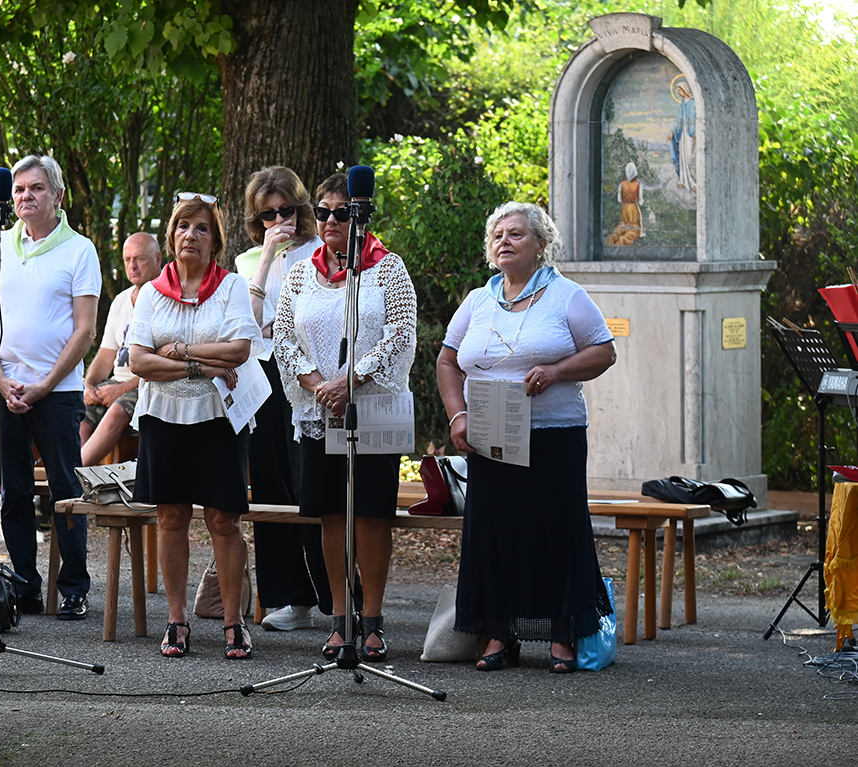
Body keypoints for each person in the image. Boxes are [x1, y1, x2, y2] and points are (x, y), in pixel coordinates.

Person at [436, 201, 617, 673]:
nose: (504, 242)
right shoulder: (477, 300)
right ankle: (500, 634)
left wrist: (557, 371)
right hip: (490, 435)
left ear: (541, 244)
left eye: (516, 234)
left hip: (553, 434)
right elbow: (447, 361)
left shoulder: (566, 295)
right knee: (496, 534)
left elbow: (604, 352)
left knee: (554, 531)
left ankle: (563, 635)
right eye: (498, 235)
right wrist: (458, 416)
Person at [274, 172, 417, 662]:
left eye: (340, 212)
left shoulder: (387, 268)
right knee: (331, 512)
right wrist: (318, 383)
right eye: (322, 211)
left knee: (371, 513)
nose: (330, 220)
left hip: (372, 406)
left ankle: (373, 619)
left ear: (359, 215)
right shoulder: (299, 273)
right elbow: (285, 337)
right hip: (321, 409)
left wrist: (351, 379)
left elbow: (401, 333)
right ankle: (340, 617)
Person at [127, 193, 260, 659]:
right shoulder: (150, 293)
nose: (191, 235)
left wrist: (179, 353)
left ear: (215, 241)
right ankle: (177, 620)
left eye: (202, 228)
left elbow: (239, 350)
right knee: (170, 517)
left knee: (224, 519)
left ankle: (233, 621)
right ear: (171, 236)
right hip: (163, 417)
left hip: (220, 420)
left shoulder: (231, 288)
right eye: (184, 226)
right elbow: (140, 361)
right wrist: (203, 366)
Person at [0, 155, 100, 621]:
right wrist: (0, 379)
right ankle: (24, 584)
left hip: (58, 392)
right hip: (7, 391)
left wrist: (45, 385)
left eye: (37, 188)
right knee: (14, 491)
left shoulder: (79, 250)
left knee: (65, 489)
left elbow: (85, 329)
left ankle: (74, 587)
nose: (26, 196)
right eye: (20, 188)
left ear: (58, 195)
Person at [235, 166, 330, 631]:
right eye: (268, 214)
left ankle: (335, 594)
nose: (279, 220)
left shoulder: (322, 253)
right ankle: (291, 596)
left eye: (286, 211)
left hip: (310, 377)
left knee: (312, 482)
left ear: (301, 209)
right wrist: (268, 256)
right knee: (270, 484)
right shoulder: (247, 262)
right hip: (263, 376)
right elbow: (249, 327)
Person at [79, 232, 161, 466]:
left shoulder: (165, 300)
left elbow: (162, 364)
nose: (132, 266)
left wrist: (124, 388)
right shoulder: (121, 301)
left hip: (150, 386)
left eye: (140, 259)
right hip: (118, 383)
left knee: (117, 410)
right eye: (127, 259)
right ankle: (78, 473)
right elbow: (106, 356)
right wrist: (89, 384)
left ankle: (74, 477)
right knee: (80, 408)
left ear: (158, 259)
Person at [605, 161, 642, 246]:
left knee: (623, 224)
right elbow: (640, 199)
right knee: (634, 227)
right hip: (633, 207)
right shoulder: (637, 184)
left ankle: (612, 239)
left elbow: (619, 198)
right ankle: (622, 241)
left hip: (624, 207)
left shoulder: (622, 184)